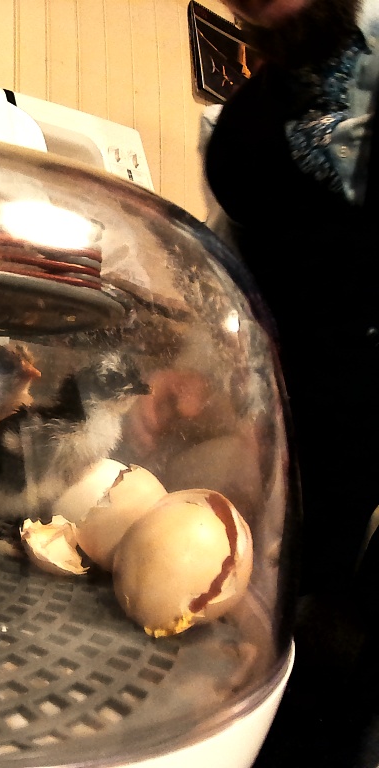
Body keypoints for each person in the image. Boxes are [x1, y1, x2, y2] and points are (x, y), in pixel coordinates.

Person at [204, 1, 377, 765]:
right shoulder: (244, 140)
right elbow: (240, 294)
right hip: (308, 434)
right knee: (294, 617)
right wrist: (202, 376)